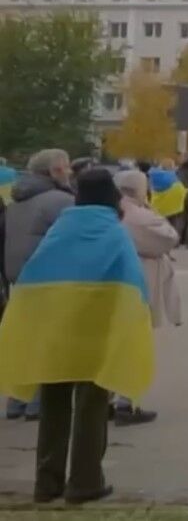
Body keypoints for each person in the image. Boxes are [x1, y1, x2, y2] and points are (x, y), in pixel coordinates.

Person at [0, 167, 154, 505]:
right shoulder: (114, 234)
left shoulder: (60, 230)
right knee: (91, 407)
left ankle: (46, 483)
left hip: (56, 334)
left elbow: (31, 281)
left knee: (54, 405)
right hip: (98, 335)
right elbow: (134, 286)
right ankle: (85, 482)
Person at [3, 150, 74, 423]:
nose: (69, 172)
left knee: (25, 340)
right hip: (50, 280)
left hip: (18, 279)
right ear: (55, 171)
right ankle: (37, 404)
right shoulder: (61, 201)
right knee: (48, 342)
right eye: (65, 167)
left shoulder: (16, 201)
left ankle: (16, 401)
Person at [111, 169, 178, 426]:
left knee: (114, 344)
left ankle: (107, 399)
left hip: (115, 284)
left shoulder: (111, 212)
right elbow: (168, 238)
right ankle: (127, 403)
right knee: (132, 345)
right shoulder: (137, 216)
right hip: (138, 283)